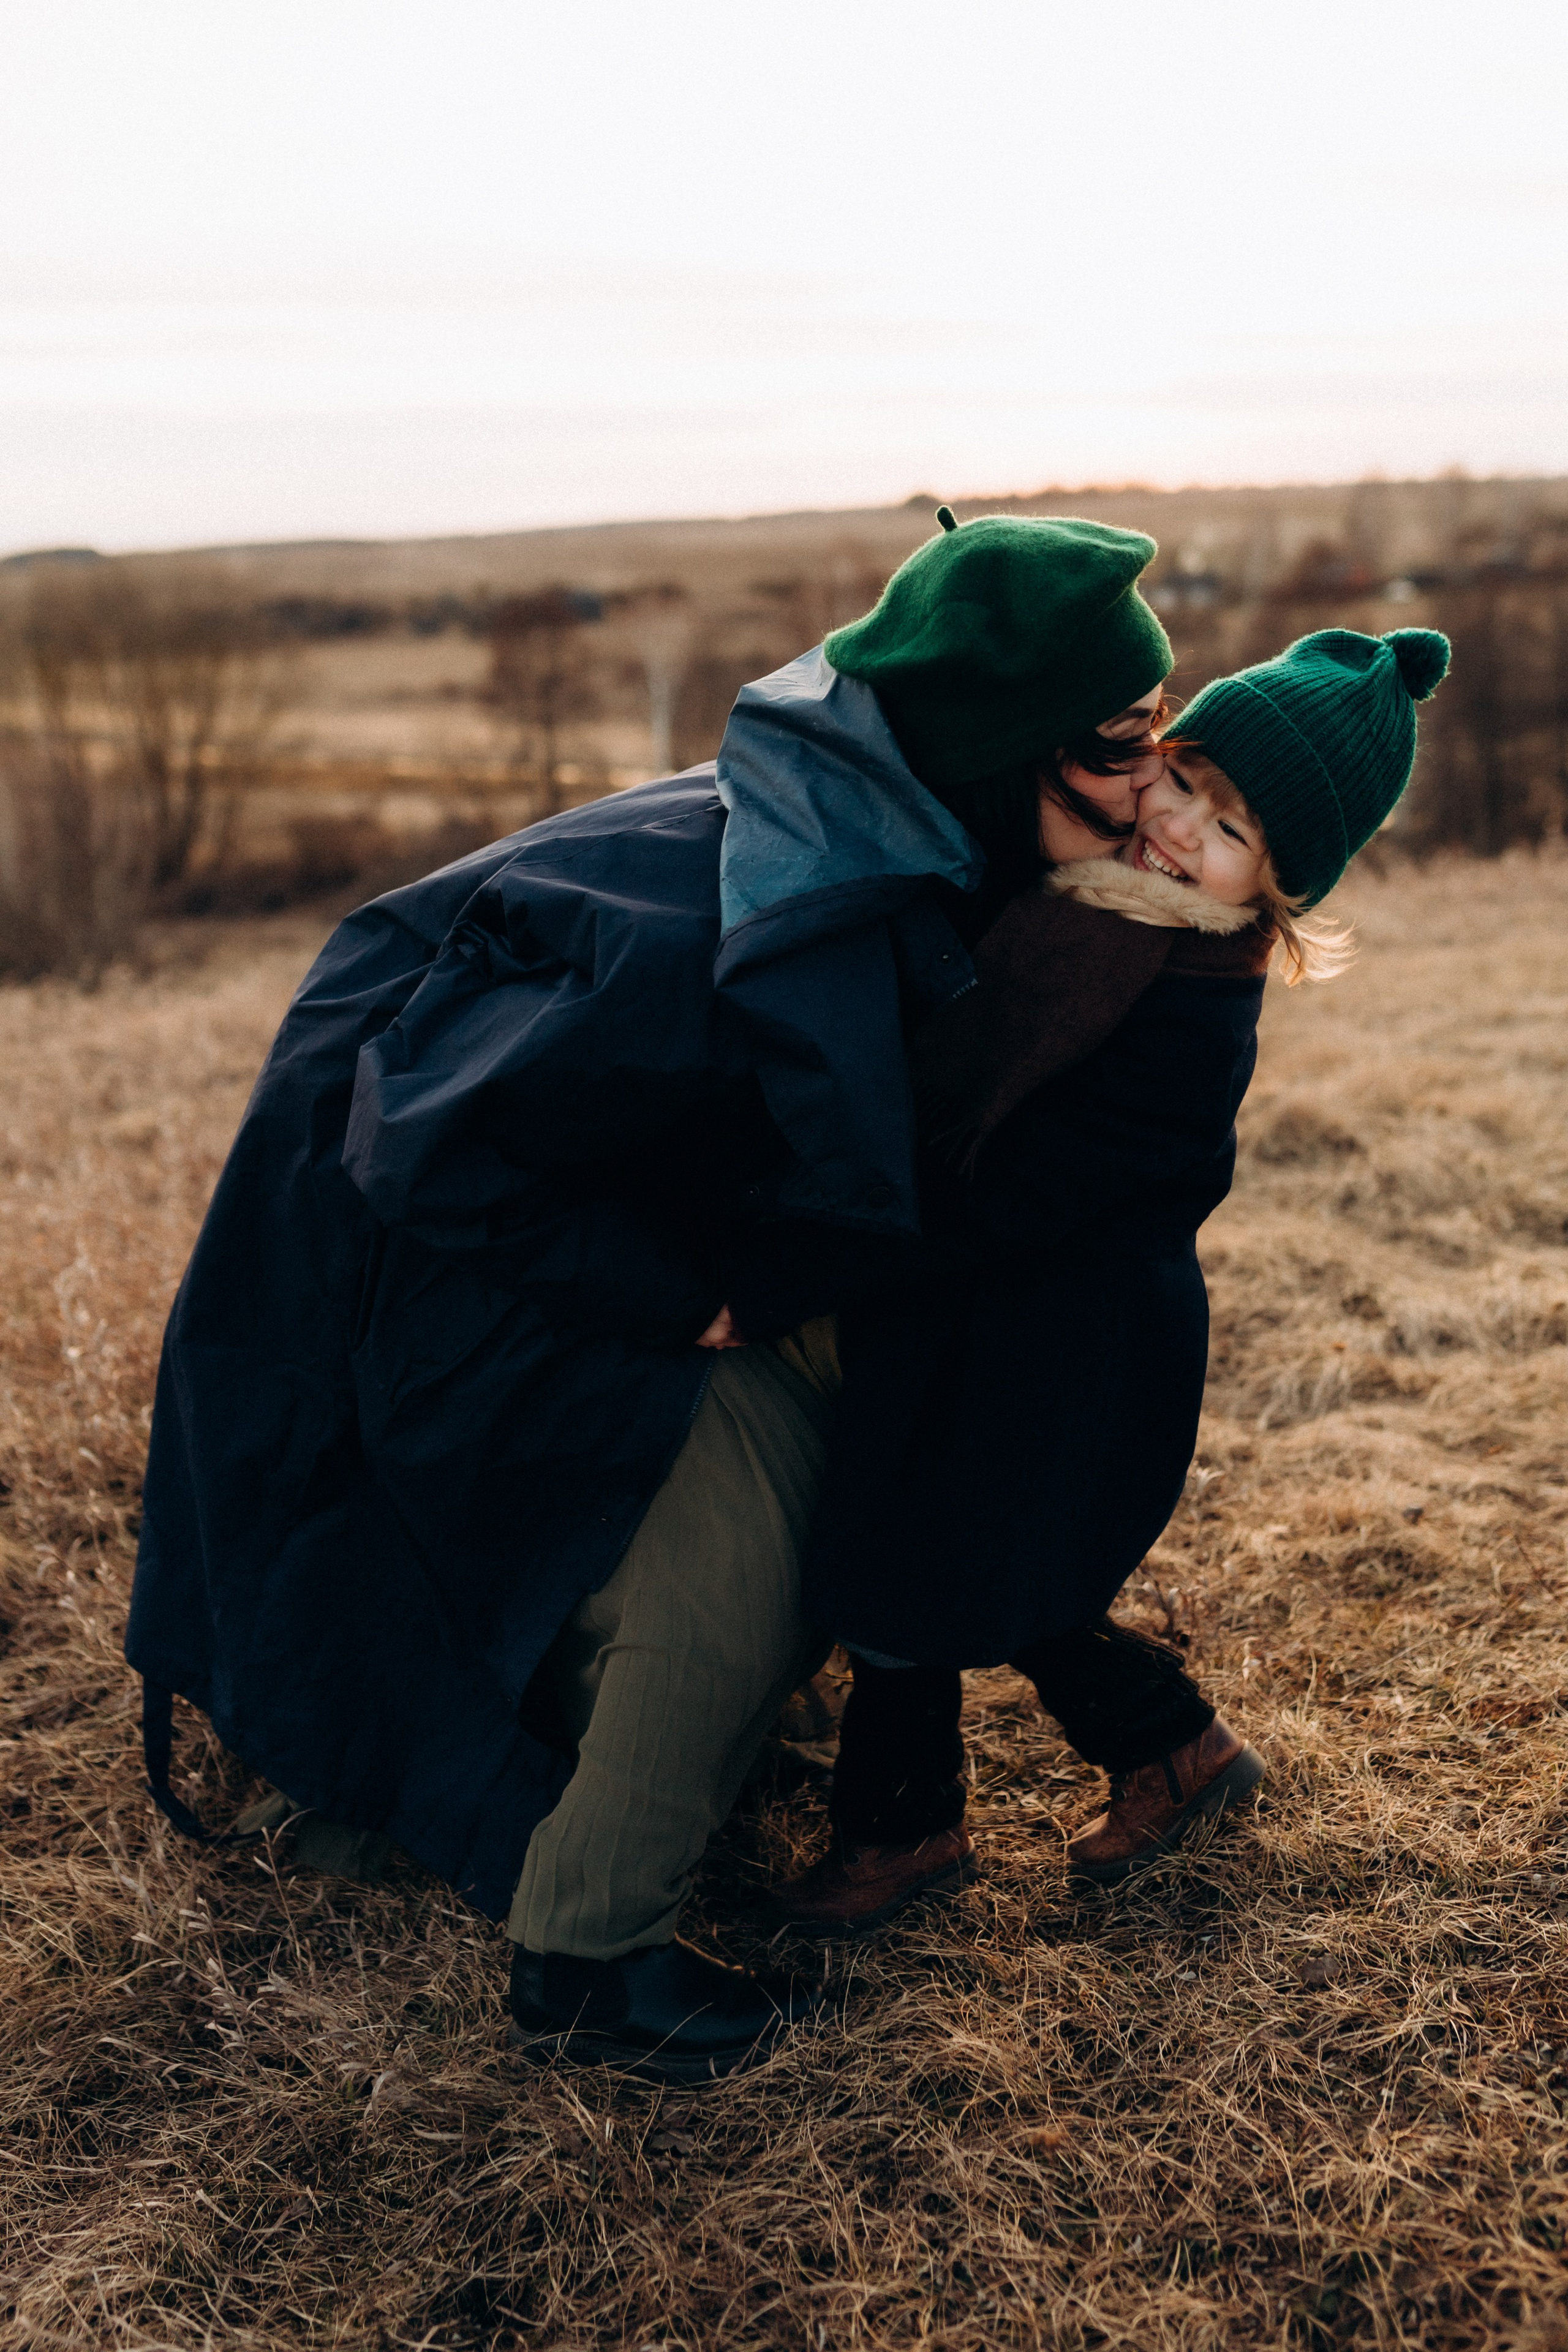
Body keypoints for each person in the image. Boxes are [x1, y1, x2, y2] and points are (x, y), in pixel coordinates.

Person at [124, 508, 1177, 2083]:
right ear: (988, 747)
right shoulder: (716, 917)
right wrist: (676, 1298)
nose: (1153, 783)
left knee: (902, 1397)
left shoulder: (886, 838)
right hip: (429, 1291)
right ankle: (587, 1962)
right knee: (750, 1555)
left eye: (1163, 735)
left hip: (565, 1250)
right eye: (1116, 748)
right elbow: (419, 1141)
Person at [770, 624, 1452, 1938]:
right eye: (1184, 780)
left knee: (949, 1569)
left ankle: (904, 1832)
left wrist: (819, 1254)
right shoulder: (1081, 906)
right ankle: (1169, 1752)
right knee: (953, 1564)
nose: (1179, 827)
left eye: (1229, 831)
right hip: (981, 1305)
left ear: (1275, 889)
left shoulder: (1191, 999)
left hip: (1066, 1336)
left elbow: (1020, 1193)